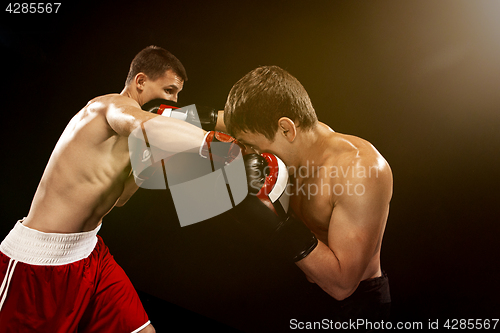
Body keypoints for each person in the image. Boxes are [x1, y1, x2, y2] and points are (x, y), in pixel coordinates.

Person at [0, 46, 220, 332]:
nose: (174, 102)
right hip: (37, 263)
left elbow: (120, 199)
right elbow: (139, 123)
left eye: (178, 94)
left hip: (90, 254)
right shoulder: (108, 107)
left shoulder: (133, 139)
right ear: (140, 81)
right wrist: (213, 146)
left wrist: (147, 162)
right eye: (168, 90)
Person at [223, 65, 393, 323]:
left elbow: (342, 285)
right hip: (302, 290)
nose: (252, 156)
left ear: (286, 129)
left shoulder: (359, 170)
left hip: (356, 307)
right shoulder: (287, 137)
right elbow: (228, 122)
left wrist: (273, 223)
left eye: (254, 147)